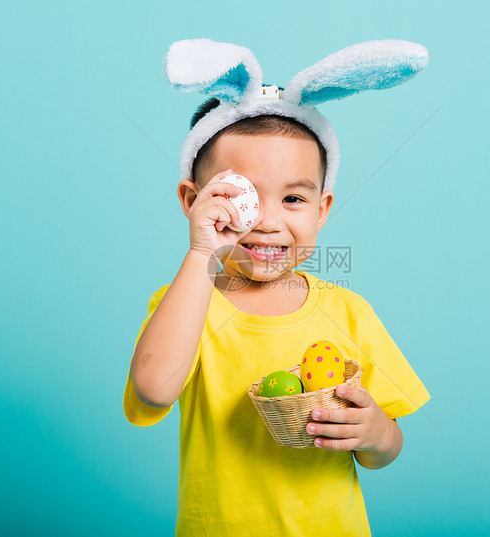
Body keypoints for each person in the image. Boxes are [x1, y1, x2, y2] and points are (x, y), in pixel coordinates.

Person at [124, 38, 432, 536]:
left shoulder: (349, 311)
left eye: (292, 198)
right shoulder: (188, 303)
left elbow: (386, 450)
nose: (268, 223)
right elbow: (153, 391)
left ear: (322, 210)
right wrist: (202, 254)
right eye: (242, 197)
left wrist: (375, 435)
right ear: (193, 201)